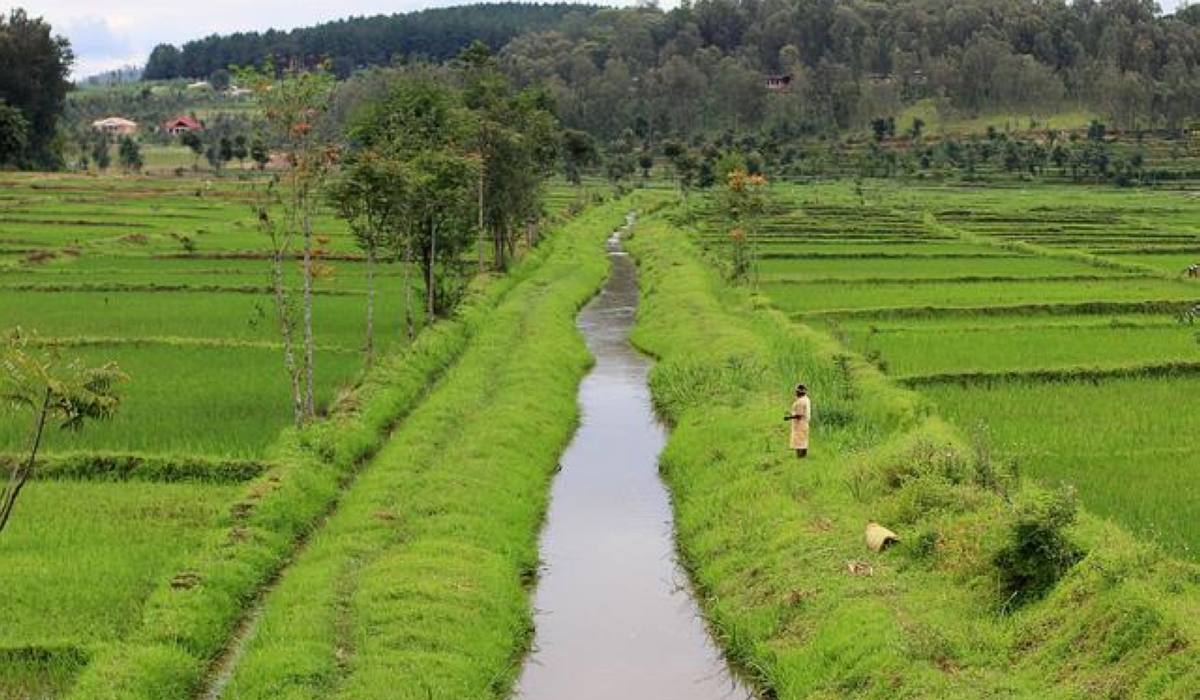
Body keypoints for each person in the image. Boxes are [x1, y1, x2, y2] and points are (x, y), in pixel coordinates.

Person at [783, 383, 810, 458]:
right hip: (805, 423)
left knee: (799, 442)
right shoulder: (806, 399)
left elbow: (799, 415)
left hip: (799, 424)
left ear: (799, 392)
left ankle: (800, 457)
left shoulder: (800, 402)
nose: (795, 393)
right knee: (804, 441)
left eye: (796, 391)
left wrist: (789, 417)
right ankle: (804, 457)